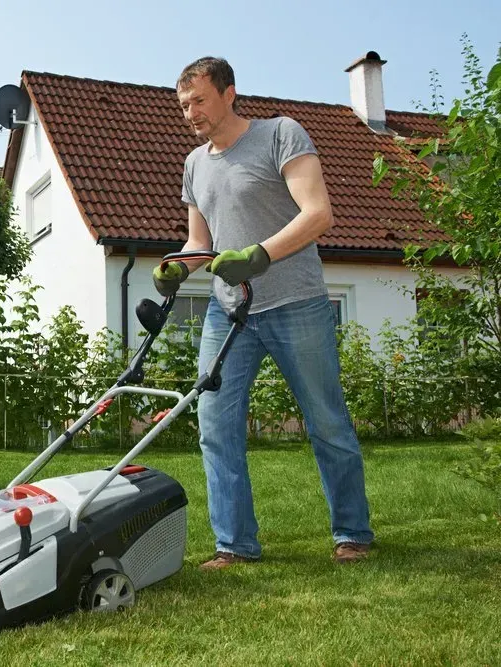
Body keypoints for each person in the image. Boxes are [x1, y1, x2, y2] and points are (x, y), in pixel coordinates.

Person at [153, 56, 374, 569]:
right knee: (215, 424)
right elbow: (199, 242)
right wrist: (178, 267)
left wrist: (259, 255)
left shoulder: (281, 134)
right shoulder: (193, 164)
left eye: (199, 100)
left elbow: (318, 212)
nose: (190, 112)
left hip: (296, 302)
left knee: (326, 421)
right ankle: (234, 544)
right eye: (184, 104)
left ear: (230, 94)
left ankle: (352, 533)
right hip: (229, 312)